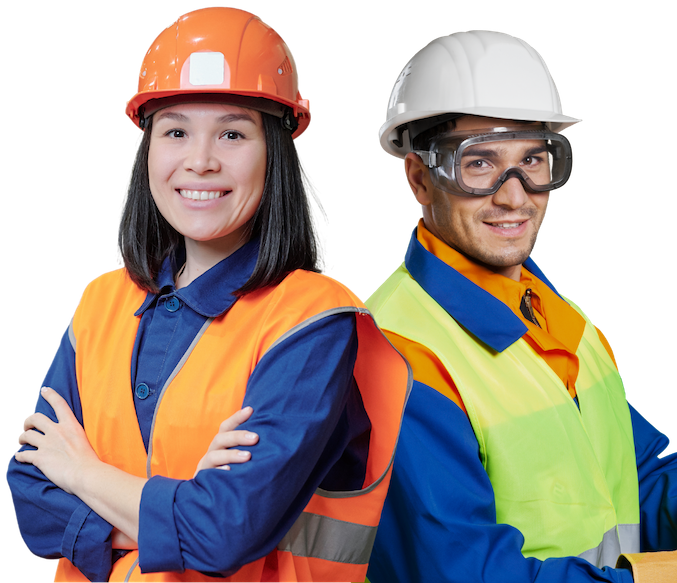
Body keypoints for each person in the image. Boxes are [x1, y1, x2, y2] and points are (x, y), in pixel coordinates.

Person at [362, 29, 677, 583]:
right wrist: (676, 576)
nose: (514, 194)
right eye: (478, 164)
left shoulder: (555, 313)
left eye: (534, 159)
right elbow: (460, 571)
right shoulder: (396, 352)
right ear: (419, 178)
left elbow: (628, 470)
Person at [7, 6, 410, 583]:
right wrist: (186, 505)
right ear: (148, 151)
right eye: (175, 131)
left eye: (232, 132)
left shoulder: (312, 322)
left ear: (274, 154)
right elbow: (29, 500)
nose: (200, 160)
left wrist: (81, 473)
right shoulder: (100, 303)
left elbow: (224, 535)